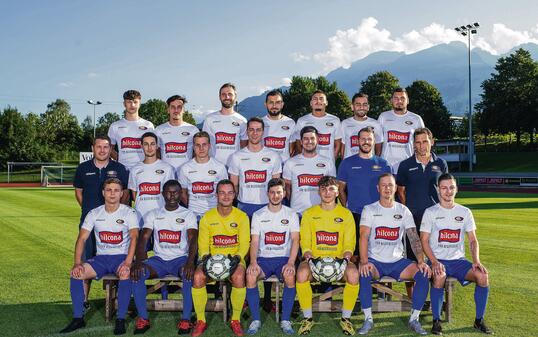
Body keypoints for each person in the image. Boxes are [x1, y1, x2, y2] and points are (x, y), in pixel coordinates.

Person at [60, 178, 139, 335]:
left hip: (121, 257)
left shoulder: (129, 212)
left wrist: (128, 263)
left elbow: (134, 237)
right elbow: (82, 238)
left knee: (125, 273)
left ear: (122, 193)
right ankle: (78, 318)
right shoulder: (94, 213)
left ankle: (121, 319)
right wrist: (77, 263)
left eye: (116, 190)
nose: (112, 193)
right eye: (109, 190)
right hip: (101, 258)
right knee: (77, 274)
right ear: (103, 192)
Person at [357, 173, 431, 335]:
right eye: (383, 185)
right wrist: (364, 261)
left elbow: (413, 237)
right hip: (375, 261)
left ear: (396, 188)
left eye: (390, 185)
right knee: (364, 273)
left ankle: (414, 319)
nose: (387, 188)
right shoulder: (369, 209)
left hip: (398, 261)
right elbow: (363, 236)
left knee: (423, 273)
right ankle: (368, 319)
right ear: (378, 188)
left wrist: (420, 260)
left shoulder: (403, 210)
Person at [420, 173, 493, 335]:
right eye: (444, 188)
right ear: (438, 190)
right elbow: (423, 240)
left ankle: (479, 320)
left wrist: (476, 261)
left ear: (456, 189)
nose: (448, 191)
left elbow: (473, 240)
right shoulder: (430, 212)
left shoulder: (465, 212)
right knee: (439, 277)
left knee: (482, 276)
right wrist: (433, 262)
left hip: (459, 262)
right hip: (438, 260)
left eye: (451, 187)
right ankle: (436, 321)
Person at [130, 180, 198, 334]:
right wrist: (139, 262)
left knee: (188, 275)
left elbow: (193, 239)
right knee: (136, 273)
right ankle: (143, 318)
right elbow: (144, 238)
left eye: (175, 192)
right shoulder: (153, 214)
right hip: (159, 260)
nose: (172, 195)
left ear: (181, 194)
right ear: (162, 194)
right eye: (168, 191)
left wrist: (190, 262)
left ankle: (186, 320)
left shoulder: (188, 214)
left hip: (180, 259)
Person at [296, 176, 359, 335]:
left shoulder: (346, 214)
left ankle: (346, 319)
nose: (327, 192)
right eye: (323, 189)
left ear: (338, 192)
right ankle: (307, 318)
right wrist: (309, 258)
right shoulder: (309, 213)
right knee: (302, 273)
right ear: (319, 192)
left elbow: (349, 243)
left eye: (331, 189)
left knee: (353, 274)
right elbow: (306, 242)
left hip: (339, 261)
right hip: (315, 261)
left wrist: (345, 259)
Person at [73, 135, 129, 308]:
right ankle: (83, 300)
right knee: (85, 261)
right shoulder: (83, 168)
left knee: (117, 260)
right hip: (90, 224)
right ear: (93, 148)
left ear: (110, 148)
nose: (102, 150)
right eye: (99, 147)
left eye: (106, 147)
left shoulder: (119, 168)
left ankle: (119, 299)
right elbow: (78, 193)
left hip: (115, 225)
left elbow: (125, 194)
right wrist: (95, 214)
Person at [191, 180, 250, 337]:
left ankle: (235, 319)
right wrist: (205, 260)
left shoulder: (242, 217)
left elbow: (245, 244)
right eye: (222, 192)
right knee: (197, 277)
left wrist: (237, 258)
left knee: (238, 276)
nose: (226, 196)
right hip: (211, 260)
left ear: (234, 195)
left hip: (234, 259)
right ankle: (201, 320)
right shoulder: (207, 218)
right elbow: (203, 245)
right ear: (216, 195)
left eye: (230, 193)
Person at [245, 178, 300, 335]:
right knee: (250, 275)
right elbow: (254, 242)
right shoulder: (258, 214)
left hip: (283, 258)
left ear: (284, 194)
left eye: (279, 192)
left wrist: (291, 263)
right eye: (272, 192)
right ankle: (255, 320)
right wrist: (253, 262)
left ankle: (285, 320)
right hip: (263, 260)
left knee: (290, 276)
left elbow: (296, 240)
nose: (275, 196)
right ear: (267, 193)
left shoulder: (291, 214)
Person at [397, 127, 448, 269]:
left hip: (435, 218)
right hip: (413, 218)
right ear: (413, 144)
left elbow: (445, 189)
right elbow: (400, 190)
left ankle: (437, 289)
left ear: (432, 142)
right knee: (413, 261)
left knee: (437, 259)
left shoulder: (441, 164)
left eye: (425, 141)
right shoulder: (405, 165)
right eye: (418, 142)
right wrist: (409, 210)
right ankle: (412, 292)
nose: (421, 146)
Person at [337, 127, 391, 252]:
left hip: (378, 214)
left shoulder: (384, 164)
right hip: (355, 214)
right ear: (357, 141)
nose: (366, 142)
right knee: (355, 252)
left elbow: (389, 190)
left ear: (374, 141)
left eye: (369, 139)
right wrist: (346, 209)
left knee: (377, 251)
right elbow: (340, 189)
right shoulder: (347, 163)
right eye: (363, 139)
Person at [228, 117, 282, 218]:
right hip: (244, 206)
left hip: (266, 205)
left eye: (258, 130)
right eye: (251, 129)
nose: (255, 133)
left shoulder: (273, 156)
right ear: (247, 131)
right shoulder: (236, 157)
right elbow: (234, 185)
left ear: (263, 132)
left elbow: (276, 186)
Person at [283, 126, 336, 214]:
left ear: (317, 140)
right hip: (298, 213)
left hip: (321, 213)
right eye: (306, 139)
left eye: (312, 138)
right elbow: (288, 188)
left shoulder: (328, 162)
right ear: (301, 141)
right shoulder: (290, 162)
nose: (309, 142)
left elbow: (332, 189)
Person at [178, 131, 228, 220]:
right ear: (193, 147)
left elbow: (224, 193)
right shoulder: (185, 168)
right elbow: (183, 193)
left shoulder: (219, 167)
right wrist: (192, 208)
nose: (201, 148)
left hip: (214, 215)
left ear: (209, 146)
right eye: (197, 145)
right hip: (193, 216)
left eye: (204, 144)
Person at [128, 132, 176, 223]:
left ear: (157, 146)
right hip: (141, 218)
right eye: (146, 144)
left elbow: (171, 194)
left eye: (152, 144)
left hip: (162, 218)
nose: (149, 148)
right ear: (141, 146)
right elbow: (135, 195)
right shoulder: (134, 170)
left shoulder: (167, 168)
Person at [378, 88, 425, 173]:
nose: (399, 101)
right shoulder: (383, 117)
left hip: (409, 168)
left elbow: (423, 143)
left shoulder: (416, 119)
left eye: (402, 98)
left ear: (408, 101)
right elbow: (377, 142)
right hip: (387, 167)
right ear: (391, 100)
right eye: (396, 98)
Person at [108, 90, 155, 171]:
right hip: (123, 170)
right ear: (124, 104)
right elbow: (109, 149)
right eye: (129, 102)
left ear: (139, 103)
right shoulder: (115, 126)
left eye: (135, 102)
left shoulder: (149, 125)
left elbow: (154, 149)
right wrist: (120, 160)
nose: (132, 105)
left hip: (144, 169)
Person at [202, 83, 248, 166]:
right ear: (219, 97)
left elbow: (244, 147)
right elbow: (204, 143)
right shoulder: (210, 119)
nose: (227, 97)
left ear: (235, 96)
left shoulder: (242, 121)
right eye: (223, 94)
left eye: (230, 94)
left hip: (235, 168)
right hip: (214, 167)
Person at [292, 90, 342, 162]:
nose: (318, 101)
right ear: (311, 103)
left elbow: (338, 144)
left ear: (326, 103)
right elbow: (298, 143)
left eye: (321, 99)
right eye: (315, 99)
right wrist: (305, 158)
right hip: (307, 163)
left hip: (328, 164)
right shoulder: (302, 120)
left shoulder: (335, 120)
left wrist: (332, 159)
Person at [155, 95, 200, 170]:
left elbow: (197, 153)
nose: (176, 110)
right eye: (172, 107)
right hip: (166, 175)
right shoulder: (159, 130)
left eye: (179, 107)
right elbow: (156, 153)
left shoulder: (193, 130)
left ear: (184, 110)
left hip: (187, 175)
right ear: (168, 110)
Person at [340, 93, 383, 159]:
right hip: (350, 164)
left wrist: (373, 162)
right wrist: (345, 162)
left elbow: (379, 148)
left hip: (369, 165)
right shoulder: (344, 123)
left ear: (368, 107)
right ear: (352, 107)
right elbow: (342, 147)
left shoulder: (376, 124)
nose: (361, 107)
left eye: (364, 104)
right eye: (358, 104)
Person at [262, 89, 296, 161]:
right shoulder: (260, 123)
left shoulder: (290, 123)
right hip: (264, 166)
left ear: (282, 104)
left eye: (277, 102)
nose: (274, 106)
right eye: (271, 102)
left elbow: (292, 149)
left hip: (284, 167)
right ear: (266, 104)